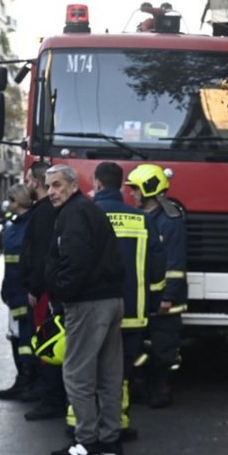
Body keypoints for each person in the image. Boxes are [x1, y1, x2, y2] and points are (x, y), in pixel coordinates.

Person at [65, 162, 165, 440]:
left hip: (91, 308)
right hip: (133, 311)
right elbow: (157, 268)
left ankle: (77, 423)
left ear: (96, 184)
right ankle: (117, 424)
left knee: (83, 367)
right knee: (118, 373)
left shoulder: (84, 215)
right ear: (121, 186)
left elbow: (69, 261)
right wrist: (154, 300)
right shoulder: (142, 219)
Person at [43, 165, 126, 455]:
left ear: (73, 185)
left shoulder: (74, 214)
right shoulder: (89, 210)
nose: (51, 192)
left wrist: (61, 293)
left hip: (87, 303)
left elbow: (74, 262)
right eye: (49, 186)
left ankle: (86, 442)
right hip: (111, 300)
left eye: (57, 185)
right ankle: (110, 441)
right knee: (109, 375)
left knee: (77, 374)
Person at [126, 163, 186, 408]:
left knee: (165, 348)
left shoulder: (170, 221)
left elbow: (175, 261)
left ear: (149, 189)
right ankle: (140, 385)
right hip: (144, 297)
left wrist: (168, 296)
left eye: (136, 189)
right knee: (137, 346)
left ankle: (163, 387)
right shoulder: (142, 217)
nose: (132, 194)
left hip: (165, 300)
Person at [19, 161, 69, 419]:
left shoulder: (44, 213)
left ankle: (51, 399)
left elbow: (41, 255)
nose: (26, 185)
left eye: (28, 180)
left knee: (48, 342)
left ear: (36, 182)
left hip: (45, 291)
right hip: (48, 288)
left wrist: (35, 288)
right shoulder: (46, 211)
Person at [0, 183, 40, 401]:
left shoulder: (31, 224)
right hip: (14, 291)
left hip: (25, 291)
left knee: (26, 338)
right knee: (17, 337)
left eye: (11, 200)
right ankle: (23, 379)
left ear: (19, 201)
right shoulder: (15, 224)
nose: (9, 204)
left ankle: (29, 381)